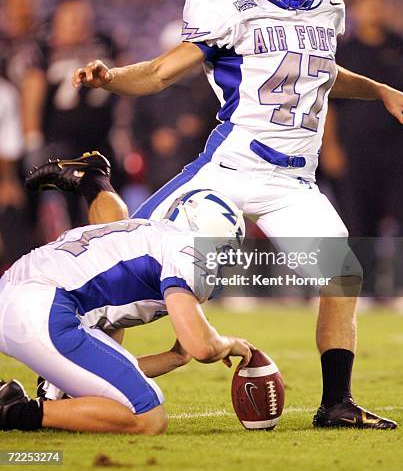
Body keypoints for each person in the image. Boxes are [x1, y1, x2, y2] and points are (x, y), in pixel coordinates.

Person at [70, 0, 403, 429]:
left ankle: (336, 404)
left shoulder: (329, 8)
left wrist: (378, 90)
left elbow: (320, 72)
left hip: (292, 182)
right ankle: (67, 378)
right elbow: (158, 73)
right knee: (131, 264)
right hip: (230, 167)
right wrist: (110, 78)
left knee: (343, 275)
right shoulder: (230, 8)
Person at [0, 154, 252, 434]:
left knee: (96, 394)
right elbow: (203, 347)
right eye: (227, 250)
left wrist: (176, 357)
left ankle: (93, 180)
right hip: (43, 308)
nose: (224, 262)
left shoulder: (146, 233)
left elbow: (116, 367)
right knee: (148, 417)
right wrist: (229, 343)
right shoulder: (187, 247)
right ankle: (11, 411)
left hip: (19, 293)